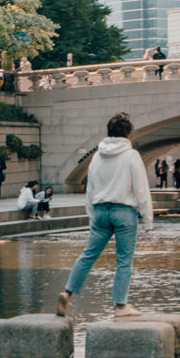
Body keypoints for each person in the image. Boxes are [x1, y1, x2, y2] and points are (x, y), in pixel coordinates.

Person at [55, 111, 153, 319]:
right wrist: (147, 218)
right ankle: (120, 306)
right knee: (124, 260)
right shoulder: (131, 155)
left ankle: (67, 292)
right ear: (128, 134)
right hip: (124, 212)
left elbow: (90, 188)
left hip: (100, 211)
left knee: (87, 255)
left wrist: (92, 214)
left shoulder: (97, 156)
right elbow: (141, 188)